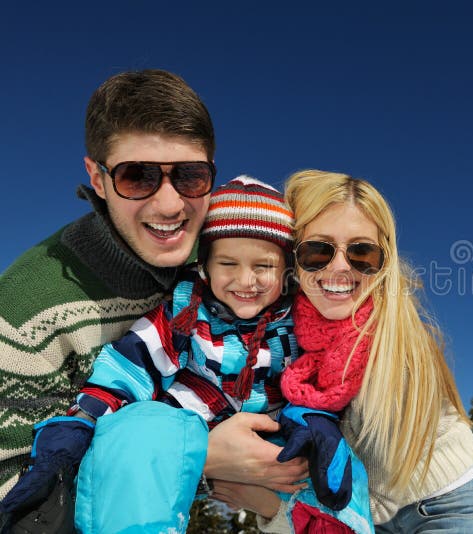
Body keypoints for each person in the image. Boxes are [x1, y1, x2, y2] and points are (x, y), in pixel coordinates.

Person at [0, 70, 306, 529]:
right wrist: (202, 456)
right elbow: (18, 494)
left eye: (190, 176)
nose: (169, 205)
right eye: (138, 176)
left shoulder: (232, 255)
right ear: (98, 178)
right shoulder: (27, 309)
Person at [233, 169, 473, 533]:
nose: (340, 267)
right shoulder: (280, 334)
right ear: (292, 257)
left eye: (361, 253)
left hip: (448, 500)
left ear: (382, 262)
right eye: (317, 250)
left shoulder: (393, 324)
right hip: (370, 515)